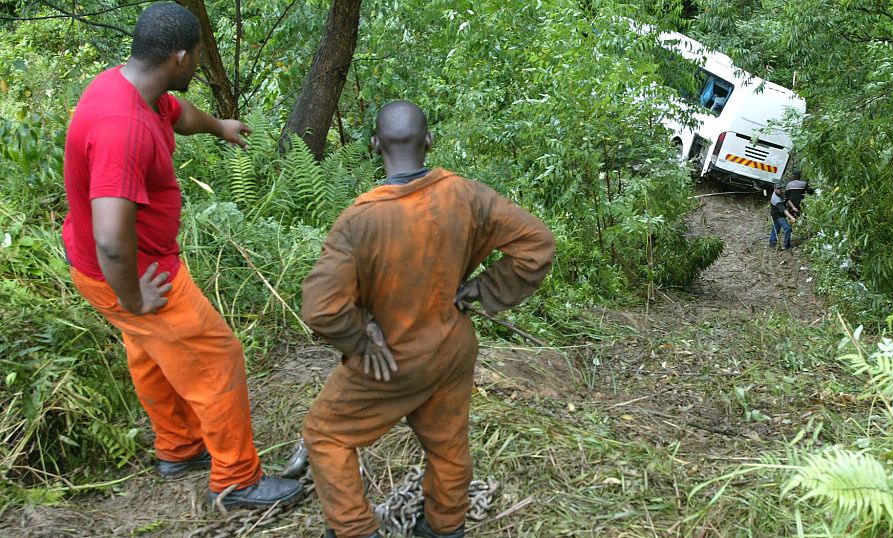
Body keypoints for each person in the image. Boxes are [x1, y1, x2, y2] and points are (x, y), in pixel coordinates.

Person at [61, 2, 302, 510]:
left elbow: (179, 113)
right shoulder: (119, 126)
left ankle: (179, 447)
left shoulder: (133, 88)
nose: (197, 63)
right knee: (217, 356)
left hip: (115, 267)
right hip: (133, 270)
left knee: (151, 352)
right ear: (179, 57)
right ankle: (237, 479)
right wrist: (134, 296)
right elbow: (111, 236)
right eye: (195, 56)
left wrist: (220, 127)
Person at [301, 101, 555, 538]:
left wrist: (360, 340)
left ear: (374, 145)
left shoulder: (359, 221)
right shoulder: (466, 194)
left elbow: (321, 308)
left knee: (325, 435)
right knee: (448, 444)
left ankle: (355, 529)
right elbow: (538, 242)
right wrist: (483, 290)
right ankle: (443, 526)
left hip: (392, 359)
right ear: (430, 141)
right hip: (451, 349)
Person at [768, 184, 797, 249]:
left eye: (780, 188)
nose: (780, 190)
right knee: (787, 228)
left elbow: (787, 200)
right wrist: (791, 217)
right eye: (778, 189)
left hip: (780, 214)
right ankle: (786, 246)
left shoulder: (781, 193)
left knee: (776, 228)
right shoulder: (775, 198)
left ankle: (772, 243)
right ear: (774, 189)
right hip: (777, 215)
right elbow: (784, 210)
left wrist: (793, 207)